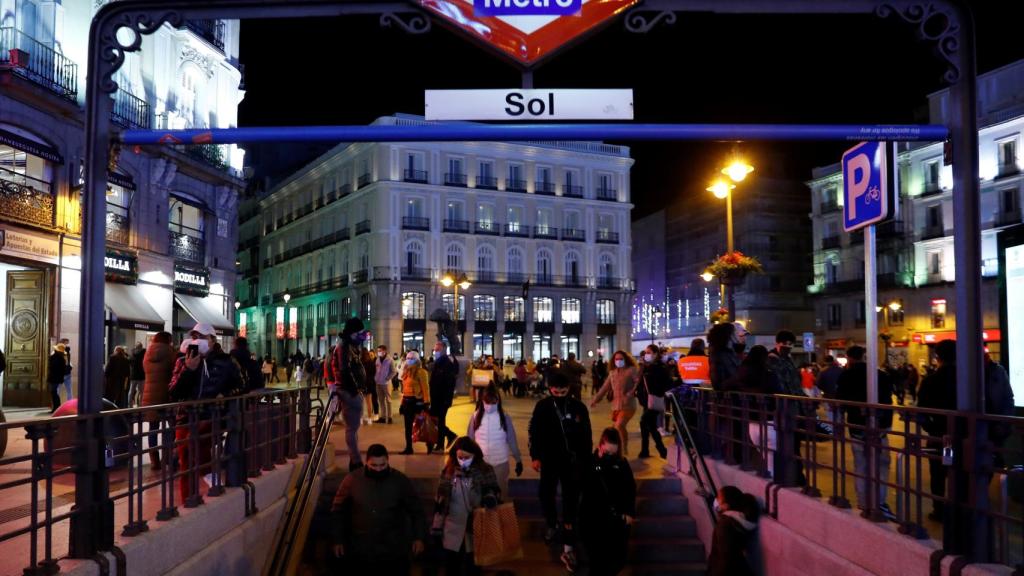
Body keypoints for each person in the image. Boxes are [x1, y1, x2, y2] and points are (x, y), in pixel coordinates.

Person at [167, 324, 243, 501]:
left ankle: (208, 477)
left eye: (202, 337)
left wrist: (224, 395)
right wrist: (188, 369)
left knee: (191, 445)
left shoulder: (226, 361)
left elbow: (241, 384)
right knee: (185, 458)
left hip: (211, 415)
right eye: (194, 337)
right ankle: (190, 497)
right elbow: (173, 392)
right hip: (185, 415)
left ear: (212, 340)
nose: (197, 340)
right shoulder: (182, 360)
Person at [529, 371, 592, 573]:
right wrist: (535, 456)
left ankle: (568, 538)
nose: (559, 393)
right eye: (555, 391)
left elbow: (586, 435)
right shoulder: (543, 407)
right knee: (545, 492)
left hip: (572, 462)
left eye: (563, 391)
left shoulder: (578, 407)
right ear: (550, 389)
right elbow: (535, 432)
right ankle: (551, 523)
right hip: (549, 459)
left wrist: (586, 460)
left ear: (569, 390)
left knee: (570, 498)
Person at [331, 444, 425, 572]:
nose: (379, 469)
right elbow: (338, 511)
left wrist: (418, 537)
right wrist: (338, 539)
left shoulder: (400, 481)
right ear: (367, 462)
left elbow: (416, 510)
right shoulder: (352, 480)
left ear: (387, 461)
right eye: (374, 465)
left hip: (393, 549)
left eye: (382, 465)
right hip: (361, 548)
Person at [836, 345, 895, 519]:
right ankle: (880, 502)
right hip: (880, 427)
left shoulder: (846, 376)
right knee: (881, 465)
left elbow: (840, 400)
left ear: (849, 357)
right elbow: (887, 398)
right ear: (864, 356)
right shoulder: (880, 375)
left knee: (861, 465)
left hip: (857, 427)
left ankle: (863, 503)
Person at [432, 437, 500, 576]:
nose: (463, 460)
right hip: (453, 527)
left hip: (476, 527)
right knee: (452, 566)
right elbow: (441, 501)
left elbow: (493, 491)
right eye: (460, 457)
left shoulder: (485, 470)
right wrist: (437, 527)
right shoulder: (449, 472)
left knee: (473, 567)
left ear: (475, 455)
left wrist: (490, 497)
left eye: (467, 457)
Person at [579, 427, 636, 576]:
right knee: (598, 564)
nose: (610, 456)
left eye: (613, 453)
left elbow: (630, 488)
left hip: (616, 520)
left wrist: (629, 512)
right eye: (607, 452)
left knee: (617, 561)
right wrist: (600, 464)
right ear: (600, 446)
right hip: (594, 521)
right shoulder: (590, 463)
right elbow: (584, 487)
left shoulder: (622, 464)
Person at [916, 339, 957, 521]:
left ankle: (939, 508)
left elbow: (921, 410)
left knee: (940, 472)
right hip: (965, 433)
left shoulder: (931, 380)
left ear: (937, 356)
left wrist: (932, 428)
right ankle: (960, 506)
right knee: (959, 470)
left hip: (943, 435)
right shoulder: (968, 377)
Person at [329, 318, 371, 471]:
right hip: (349, 391)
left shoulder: (350, 346)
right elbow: (345, 370)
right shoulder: (344, 347)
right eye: (360, 332)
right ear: (353, 333)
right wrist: (355, 390)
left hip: (351, 391)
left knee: (353, 428)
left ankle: (355, 460)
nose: (362, 336)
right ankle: (356, 461)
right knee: (352, 429)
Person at [467, 385, 523, 496]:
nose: (490, 405)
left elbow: (512, 440)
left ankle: (500, 513)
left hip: (500, 463)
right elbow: (469, 441)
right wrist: (467, 461)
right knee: (481, 495)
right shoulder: (475, 417)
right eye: (487, 402)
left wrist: (518, 460)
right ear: (482, 400)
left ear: (498, 400)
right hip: (481, 463)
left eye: (493, 402)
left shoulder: (504, 417)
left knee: (500, 493)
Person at [591, 350, 640, 456]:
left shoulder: (631, 370)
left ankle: (624, 448)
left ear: (626, 359)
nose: (618, 361)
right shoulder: (612, 373)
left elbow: (638, 382)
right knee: (616, 429)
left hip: (628, 405)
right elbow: (604, 388)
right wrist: (595, 399)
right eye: (616, 359)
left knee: (619, 425)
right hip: (616, 406)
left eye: (621, 359)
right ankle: (617, 449)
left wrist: (632, 391)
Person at [707, 486, 760, 576]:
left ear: (726, 506)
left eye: (718, 498)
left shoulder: (724, 525)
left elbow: (725, 558)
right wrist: (710, 497)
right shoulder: (739, 521)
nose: (716, 500)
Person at [142, 331, 175, 469]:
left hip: (149, 396)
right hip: (166, 395)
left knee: (153, 429)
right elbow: (174, 371)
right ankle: (167, 458)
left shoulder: (147, 353)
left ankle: (155, 462)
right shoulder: (170, 351)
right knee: (172, 427)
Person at [637, 344, 670, 460]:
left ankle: (654, 449)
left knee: (643, 422)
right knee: (649, 425)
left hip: (655, 400)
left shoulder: (660, 367)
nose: (646, 355)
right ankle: (656, 449)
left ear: (656, 354)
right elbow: (639, 381)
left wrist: (647, 370)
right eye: (645, 352)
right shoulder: (646, 366)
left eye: (649, 352)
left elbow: (665, 383)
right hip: (647, 401)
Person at [429, 341, 460, 452]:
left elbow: (450, 383)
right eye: (434, 350)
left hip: (442, 398)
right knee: (436, 420)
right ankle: (449, 435)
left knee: (440, 421)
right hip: (436, 397)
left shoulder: (446, 363)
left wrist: (447, 399)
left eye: (437, 350)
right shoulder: (437, 362)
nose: (435, 352)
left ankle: (441, 445)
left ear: (443, 349)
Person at [399, 350, 431, 455]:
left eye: (412, 358)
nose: (409, 360)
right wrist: (401, 402)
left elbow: (425, 389)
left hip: (417, 402)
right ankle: (409, 447)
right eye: (407, 358)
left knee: (423, 425)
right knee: (408, 427)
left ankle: (429, 445)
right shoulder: (406, 371)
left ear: (417, 360)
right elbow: (404, 389)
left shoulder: (421, 372)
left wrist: (426, 403)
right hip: (407, 402)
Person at [373, 345, 396, 424]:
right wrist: (375, 378)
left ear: (385, 351)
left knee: (388, 400)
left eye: (380, 350)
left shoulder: (390, 360)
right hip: (378, 383)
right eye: (378, 351)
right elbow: (376, 370)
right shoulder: (377, 360)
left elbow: (394, 371)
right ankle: (382, 417)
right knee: (381, 400)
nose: (379, 352)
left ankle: (389, 417)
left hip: (386, 383)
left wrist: (387, 378)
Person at [47, 343, 67, 412]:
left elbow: (52, 367)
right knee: (54, 392)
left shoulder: (54, 358)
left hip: (54, 378)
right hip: (56, 378)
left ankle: (56, 407)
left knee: (54, 392)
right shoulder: (62, 359)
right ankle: (56, 407)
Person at [128, 342, 145, 407]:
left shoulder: (131, 354)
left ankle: (129, 405)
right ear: (141, 346)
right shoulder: (144, 353)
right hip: (141, 375)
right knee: (141, 392)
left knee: (131, 391)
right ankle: (140, 405)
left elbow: (129, 363)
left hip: (133, 375)